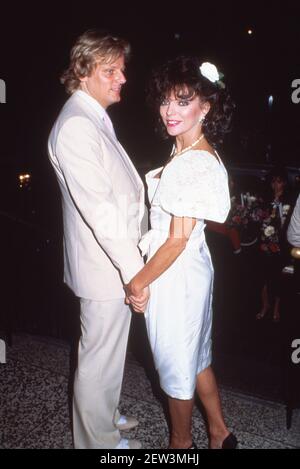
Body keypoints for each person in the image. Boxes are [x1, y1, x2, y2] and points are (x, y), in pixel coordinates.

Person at [125, 56, 237, 449]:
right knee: (197, 354)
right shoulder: (188, 150)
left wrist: (136, 283)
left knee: (175, 368)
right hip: (189, 267)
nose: (170, 111)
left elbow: (175, 241)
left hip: (175, 274)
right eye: (165, 101)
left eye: (183, 101)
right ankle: (221, 433)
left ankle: (180, 446)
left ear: (205, 106)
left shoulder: (193, 163)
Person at [48, 30, 149, 449]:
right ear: (84, 71)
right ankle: (98, 443)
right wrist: (136, 274)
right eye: (111, 70)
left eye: (122, 69)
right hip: (106, 265)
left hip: (112, 264)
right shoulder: (76, 125)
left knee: (108, 355)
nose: (122, 77)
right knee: (97, 359)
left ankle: (104, 415)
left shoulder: (91, 117)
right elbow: (101, 212)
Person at [256, 168, 292, 323]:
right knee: (263, 277)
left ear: (283, 183)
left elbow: (289, 225)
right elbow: (260, 222)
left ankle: (276, 308)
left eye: (278, 181)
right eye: (273, 181)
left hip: (280, 246)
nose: (275, 185)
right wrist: (262, 243)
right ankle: (265, 306)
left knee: (278, 278)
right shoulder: (265, 200)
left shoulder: (288, 202)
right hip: (265, 244)